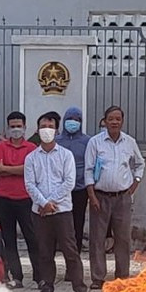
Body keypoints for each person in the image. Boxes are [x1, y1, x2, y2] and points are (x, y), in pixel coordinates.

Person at [24, 111, 87, 292]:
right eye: (43, 127)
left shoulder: (66, 155)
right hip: (40, 212)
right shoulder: (31, 158)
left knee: (70, 250)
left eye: (50, 127)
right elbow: (29, 184)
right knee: (44, 250)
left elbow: (69, 182)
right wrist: (43, 203)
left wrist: (49, 203)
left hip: (62, 211)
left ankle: (79, 287)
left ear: (56, 130)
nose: (47, 130)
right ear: (37, 129)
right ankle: (47, 285)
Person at [85, 105, 145, 287]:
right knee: (97, 239)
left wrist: (134, 184)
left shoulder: (129, 142)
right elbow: (88, 171)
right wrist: (92, 196)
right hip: (100, 196)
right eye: (111, 118)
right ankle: (97, 278)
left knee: (123, 238)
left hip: (122, 198)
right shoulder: (95, 142)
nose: (114, 122)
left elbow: (140, 164)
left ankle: (122, 276)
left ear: (122, 121)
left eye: (118, 119)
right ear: (105, 121)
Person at [0, 111, 37, 289]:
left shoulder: (31, 147)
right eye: (12, 126)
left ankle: (39, 276)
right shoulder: (1, 146)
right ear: (7, 128)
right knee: (8, 240)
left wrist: (7, 169)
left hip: (26, 199)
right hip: (4, 199)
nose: (15, 129)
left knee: (32, 238)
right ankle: (16, 277)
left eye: (19, 126)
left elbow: (30, 170)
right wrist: (20, 169)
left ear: (25, 127)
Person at [57, 105, 92, 260]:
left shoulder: (87, 141)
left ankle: (74, 263)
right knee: (60, 227)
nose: (73, 122)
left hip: (79, 190)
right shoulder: (57, 140)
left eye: (76, 120)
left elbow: (90, 164)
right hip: (60, 191)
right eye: (70, 119)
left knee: (77, 226)